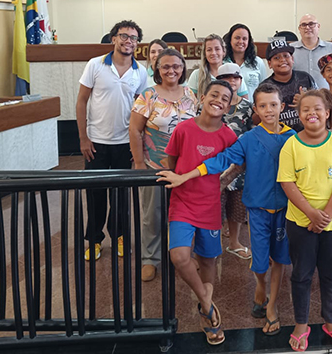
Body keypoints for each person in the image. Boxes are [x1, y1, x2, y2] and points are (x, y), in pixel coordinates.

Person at [159, 82, 295, 336]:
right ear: (255, 109)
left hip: (286, 209)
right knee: (259, 260)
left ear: (282, 106)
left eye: (273, 105)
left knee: (280, 258)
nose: (269, 110)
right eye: (263, 105)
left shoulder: (293, 138)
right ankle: (255, 288)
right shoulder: (248, 138)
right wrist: (188, 176)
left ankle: (272, 305)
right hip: (256, 209)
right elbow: (222, 160)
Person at [156, 80, 238, 345]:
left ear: (229, 106)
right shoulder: (183, 129)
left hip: (210, 205)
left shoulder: (228, 135)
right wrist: (179, 177)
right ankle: (207, 302)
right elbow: (173, 161)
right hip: (182, 202)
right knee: (179, 256)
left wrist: (223, 181)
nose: (218, 100)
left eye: (225, 98)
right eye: (214, 95)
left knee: (208, 259)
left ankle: (206, 311)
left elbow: (239, 162)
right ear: (202, 98)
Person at [277, 89, 332, 351]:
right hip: (300, 222)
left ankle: (331, 321)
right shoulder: (291, 145)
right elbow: (287, 183)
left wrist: (325, 217)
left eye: (317, 109)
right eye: (306, 109)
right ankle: (301, 323)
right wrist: (311, 214)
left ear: (328, 112)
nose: (312, 113)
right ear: (299, 115)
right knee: (301, 273)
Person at [76, 20, 149, 262]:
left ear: (137, 43)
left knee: (121, 196)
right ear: (114, 38)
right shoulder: (95, 65)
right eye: (124, 36)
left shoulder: (140, 72)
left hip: (125, 143)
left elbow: (142, 110)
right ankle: (94, 240)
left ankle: (120, 236)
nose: (129, 41)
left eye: (134, 38)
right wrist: (83, 138)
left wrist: (138, 146)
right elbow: (81, 101)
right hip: (96, 142)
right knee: (95, 194)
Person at [129, 48, 198, 282]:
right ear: (157, 69)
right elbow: (135, 130)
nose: (171, 70)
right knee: (153, 214)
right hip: (154, 165)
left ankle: (183, 254)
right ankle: (150, 258)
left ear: (182, 68)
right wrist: (139, 163)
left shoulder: (191, 94)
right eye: (165, 66)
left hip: (185, 169)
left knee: (184, 214)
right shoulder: (148, 95)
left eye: (176, 66)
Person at [215, 63, 253, 260]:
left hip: (240, 166)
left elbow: (252, 133)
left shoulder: (248, 107)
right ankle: (212, 246)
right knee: (215, 207)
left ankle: (234, 242)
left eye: (236, 77)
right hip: (217, 164)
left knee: (238, 206)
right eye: (227, 78)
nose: (232, 81)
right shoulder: (212, 104)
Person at [263, 39, 315, 132]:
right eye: (276, 58)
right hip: (279, 135)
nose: (282, 60)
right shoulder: (265, 87)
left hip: (307, 133)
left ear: (292, 59)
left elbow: (320, 104)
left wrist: (306, 101)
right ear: (269, 64)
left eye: (286, 56)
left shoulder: (305, 78)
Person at [187, 34, 248, 99]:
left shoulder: (235, 72)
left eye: (217, 49)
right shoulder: (196, 75)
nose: (213, 53)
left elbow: (244, 101)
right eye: (209, 50)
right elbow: (190, 101)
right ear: (205, 53)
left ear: (223, 52)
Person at [290, 14, 332, 89]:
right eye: (304, 25)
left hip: (326, 95)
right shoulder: (291, 50)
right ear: (299, 29)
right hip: (298, 95)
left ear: (318, 26)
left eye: (311, 24)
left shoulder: (331, 48)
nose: (307, 27)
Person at [223, 23, 268, 101]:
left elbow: (264, 90)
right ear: (230, 40)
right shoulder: (222, 62)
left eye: (244, 39)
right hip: (227, 107)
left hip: (252, 107)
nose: (241, 41)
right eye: (237, 38)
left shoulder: (258, 62)